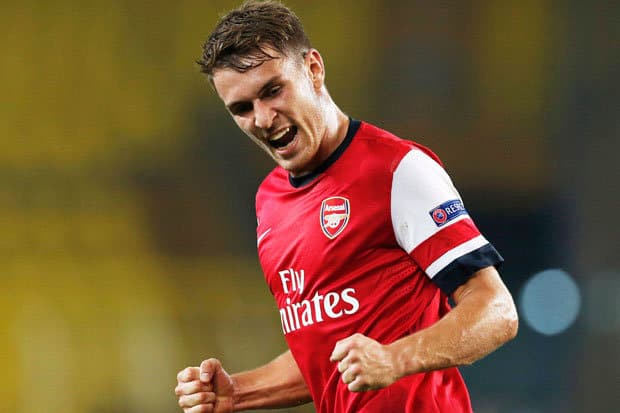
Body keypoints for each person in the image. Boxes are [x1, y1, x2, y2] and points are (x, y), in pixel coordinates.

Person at [174, 1, 518, 412]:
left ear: (313, 69)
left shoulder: (397, 170)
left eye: (272, 91)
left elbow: (496, 311)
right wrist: (239, 392)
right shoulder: (270, 202)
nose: (263, 119)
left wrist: (395, 359)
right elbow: (324, 353)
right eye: (242, 109)